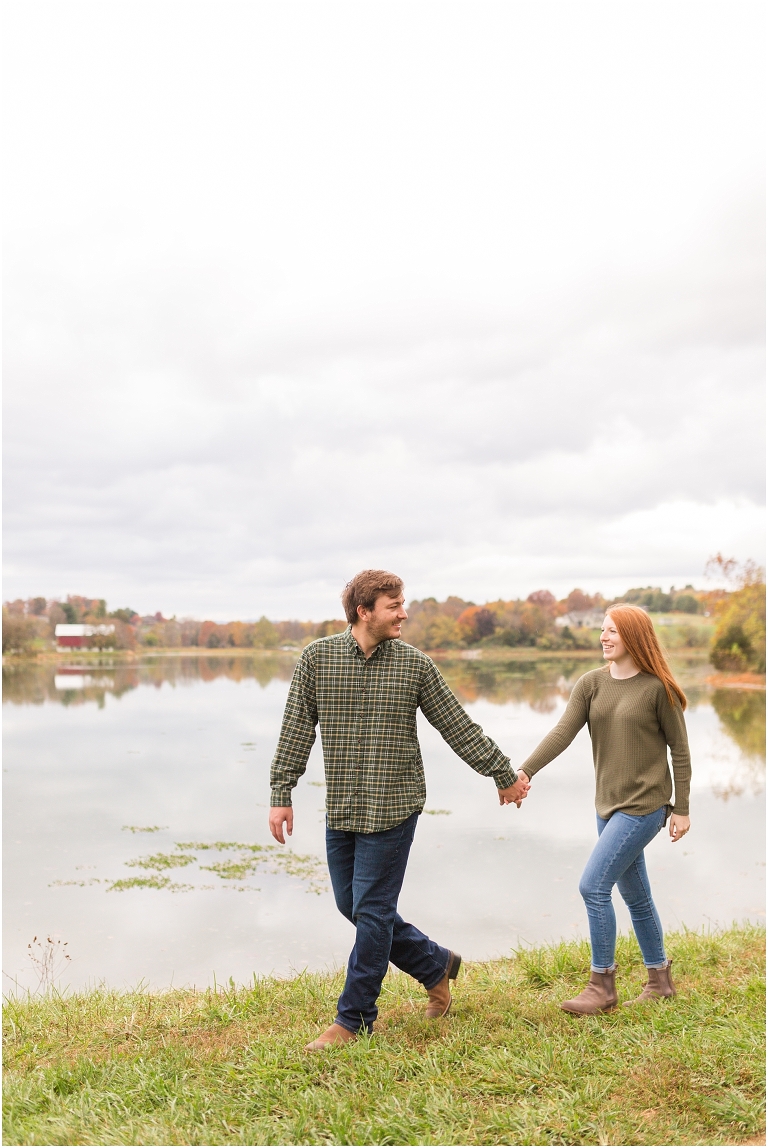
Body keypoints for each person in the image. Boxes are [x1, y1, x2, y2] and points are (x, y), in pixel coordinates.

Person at [269, 569, 530, 1051]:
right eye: (394, 605)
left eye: (402, 603)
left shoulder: (415, 666)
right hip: (343, 807)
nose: (404, 612)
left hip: (395, 805)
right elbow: (295, 729)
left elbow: (458, 726)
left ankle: (354, 1019)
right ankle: (435, 965)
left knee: (371, 910)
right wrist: (281, 792)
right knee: (354, 906)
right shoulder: (317, 659)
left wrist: (503, 772)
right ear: (363, 611)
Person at [508, 603, 691, 1015]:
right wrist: (523, 772)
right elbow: (562, 732)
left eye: (612, 631)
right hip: (606, 806)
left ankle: (602, 986)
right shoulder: (591, 684)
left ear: (634, 638)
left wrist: (681, 807)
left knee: (593, 886)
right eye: (603, 631)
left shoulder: (657, 689)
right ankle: (660, 980)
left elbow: (680, 750)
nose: (603, 637)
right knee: (636, 894)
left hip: (645, 806)